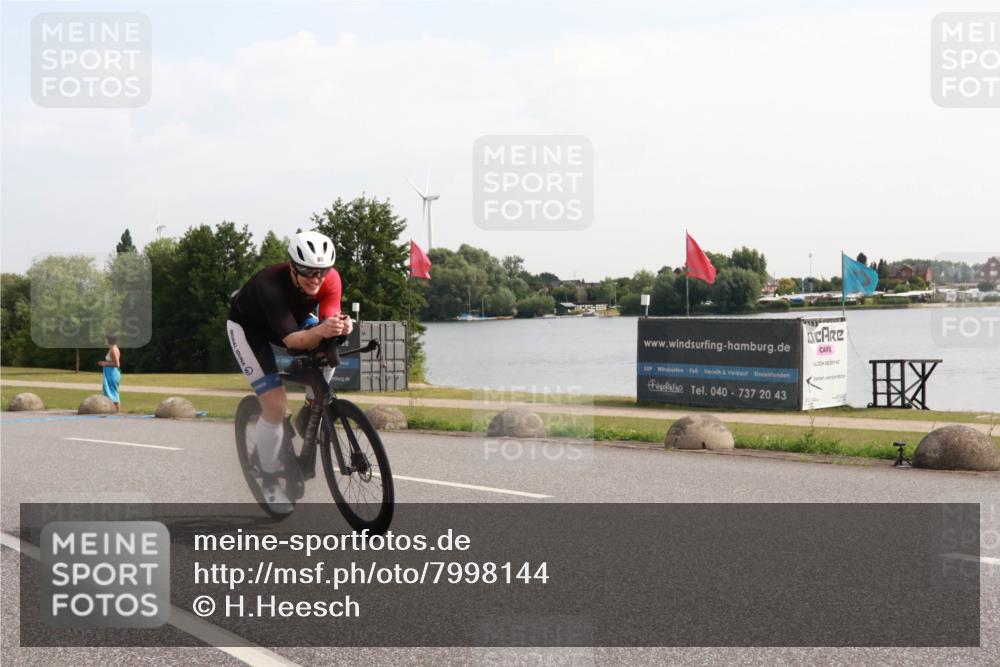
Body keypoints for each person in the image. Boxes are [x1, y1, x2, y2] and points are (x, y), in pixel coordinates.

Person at [226, 231, 353, 514]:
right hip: (249, 330)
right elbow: (293, 341)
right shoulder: (270, 284)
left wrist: (341, 326)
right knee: (275, 403)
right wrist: (320, 331)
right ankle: (269, 478)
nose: (316, 278)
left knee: (329, 355)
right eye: (308, 270)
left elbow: (328, 316)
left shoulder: (330, 279)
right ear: (292, 266)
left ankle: (311, 408)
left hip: (289, 320)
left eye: (322, 271)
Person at [98, 334, 121, 412]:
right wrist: (104, 362)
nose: (105, 341)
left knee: (112, 393)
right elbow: (111, 361)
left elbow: (117, 364)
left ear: (109, 341)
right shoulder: (112, 349)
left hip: (112, 374)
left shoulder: (114, 350)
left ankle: (117, 411)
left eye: (106, 339)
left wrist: (105, 364)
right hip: (109, 373)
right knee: (109, 392)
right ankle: (112, 410)